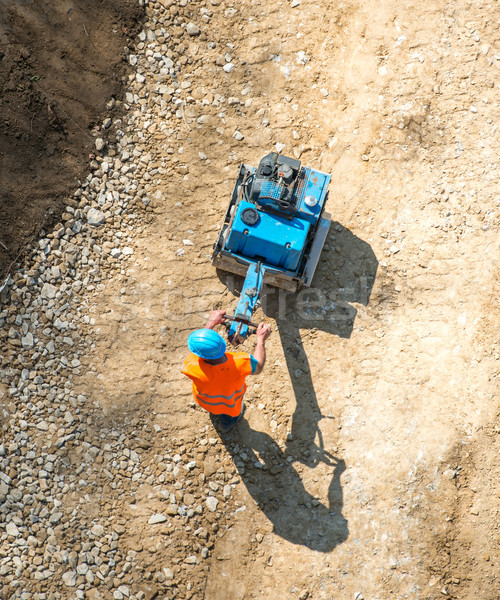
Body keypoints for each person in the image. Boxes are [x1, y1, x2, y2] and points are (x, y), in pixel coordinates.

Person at [181, 310, 271, 433]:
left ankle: (215, 414)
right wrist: (261, 340)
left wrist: (211, 323)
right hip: (230, 405)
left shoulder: (191, 364)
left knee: (214, 408)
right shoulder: (239, 363)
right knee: (230, 415)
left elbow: (200, 348)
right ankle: (226, 423)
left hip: (205, 401)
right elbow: (259, 367)